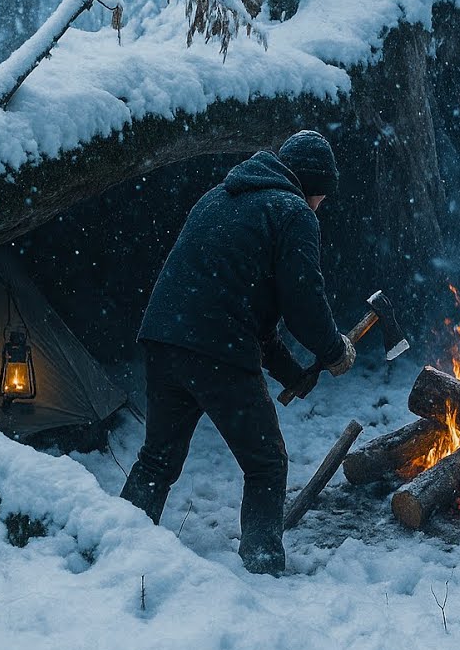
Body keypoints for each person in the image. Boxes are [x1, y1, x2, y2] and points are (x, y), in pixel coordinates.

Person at [120, 129, 356, 575]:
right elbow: (302, 300)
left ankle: (119, 545)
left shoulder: (220, 198)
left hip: (164, 338)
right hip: (217, 350)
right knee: (266, 463)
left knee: (158, 459)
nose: (321, 206)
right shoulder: (293, 213)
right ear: (315, 186)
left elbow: (245, 306)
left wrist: (292, 372)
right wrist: (333, 349)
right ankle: (263, 569)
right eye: (323, 196)